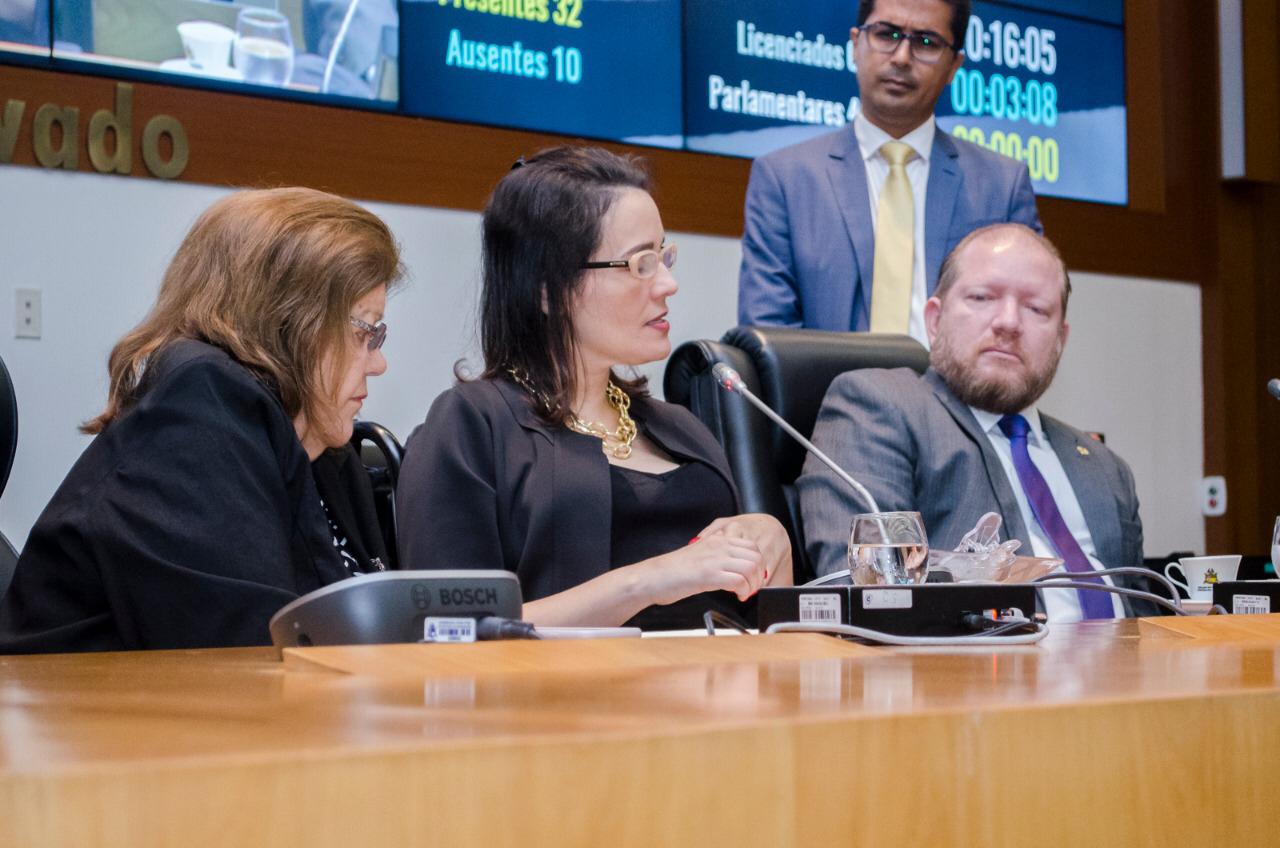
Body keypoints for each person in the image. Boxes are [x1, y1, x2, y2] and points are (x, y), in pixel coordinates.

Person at [396, 146, 792, 630]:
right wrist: (650, 580)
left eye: (665, 256)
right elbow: (447, 631)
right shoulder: (472, 426)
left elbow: (767, 622)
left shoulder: (681, 426)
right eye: (641, 263)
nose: (668, 283)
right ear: (547, 287)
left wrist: (772, 541)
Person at [0, 187, 403, 653]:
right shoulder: (200, 411)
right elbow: (253, 656)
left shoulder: (324, 448)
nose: (378, 363)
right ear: (289, 321)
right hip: (97, 720)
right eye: (364, 332)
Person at [798, 223, 1147, 621]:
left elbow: (1146, 612)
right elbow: (871, 595)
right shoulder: (880, 408)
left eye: (1037, 309)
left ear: (1061, 339)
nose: (1009, 322)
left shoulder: (1105, 468)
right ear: (934, 319)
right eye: (982, 297)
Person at [737, 0, 1041, 345]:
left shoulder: (1002, 186)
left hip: (957, 398)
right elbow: (770, 341)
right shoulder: (784, 179)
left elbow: (1022, 329)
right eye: (886, 34)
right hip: (824, 397)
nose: (901, 57)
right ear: (855, 44)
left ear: (954, 64)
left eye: (926, 42)